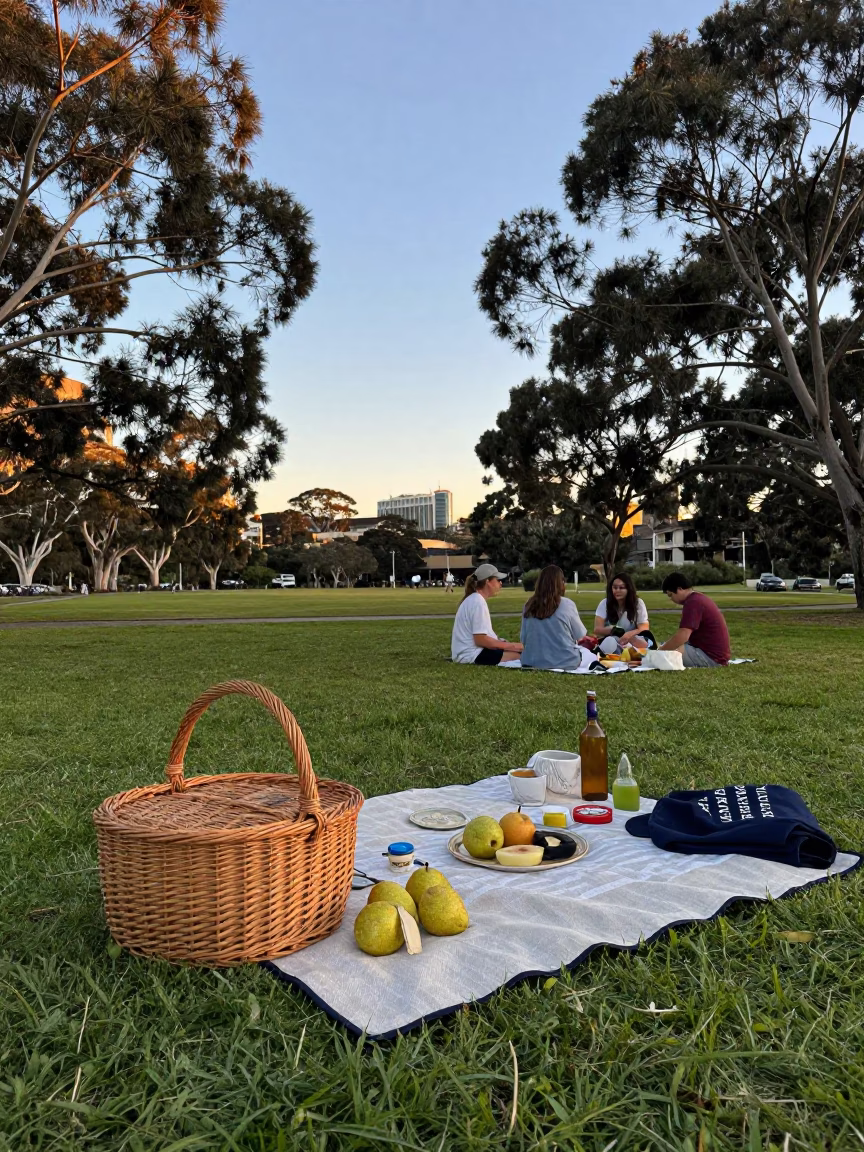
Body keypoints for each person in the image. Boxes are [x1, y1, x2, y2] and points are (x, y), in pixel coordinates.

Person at [451, 563, 524, 665]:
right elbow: (481, 640)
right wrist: (513, 646)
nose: (500, 583)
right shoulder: (478, 602)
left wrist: (502, 643)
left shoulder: (474, 599)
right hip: (471, 655)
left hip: (467, 653)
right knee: (523, 656)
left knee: (518, 653)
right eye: (497, 580)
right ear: (487, 582)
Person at [520, 565, 588, 669]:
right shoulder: (567, 604)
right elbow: (580, 635)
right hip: (566, 661)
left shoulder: (528, 605)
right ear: (561, 583)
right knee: (589, 655)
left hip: (531, 661)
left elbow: (523, 638)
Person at [659, 572, 730, 667]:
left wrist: (660, 652)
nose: (671, 599)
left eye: (670, 595)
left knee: (667, 654)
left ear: (679, 589)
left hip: (711, 657)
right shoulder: (697, 598)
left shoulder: (693, 603)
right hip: (713, 654)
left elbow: (683, 636)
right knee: (667, 646)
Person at [593, 571, 653, 653]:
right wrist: (614, 630)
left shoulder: (638, 603)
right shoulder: (604, 603)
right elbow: (597, 629)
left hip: (632, 640)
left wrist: (629, 634)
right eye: (615, 587)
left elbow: (644, 628)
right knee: (611, 642)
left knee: (643, 643)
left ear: (628, 589)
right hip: (612, 640)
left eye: (621, 588)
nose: (617, 590)